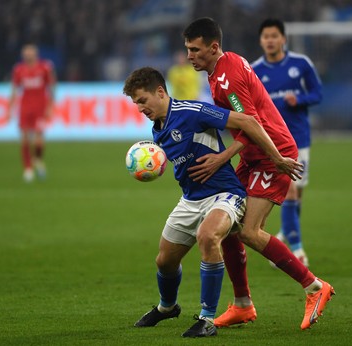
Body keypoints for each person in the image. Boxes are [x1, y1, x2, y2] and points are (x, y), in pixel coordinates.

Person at [123, 67, 302, 337]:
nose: (139, 107)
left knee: (208, 237)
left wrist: (274, 158)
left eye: (142, 100)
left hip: (224, 194)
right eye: (135, 102)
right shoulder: (157, 130)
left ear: (160, 92)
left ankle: (206, 319)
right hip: (191, 200)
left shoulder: (192, 111)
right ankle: (167, 307)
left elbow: (249, 122)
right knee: (164, 262)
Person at [183, 17, 334, 330]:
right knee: (225, 222)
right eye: (187, 49)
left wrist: (223, 158)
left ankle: (315, 287)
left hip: (271, 155)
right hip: (255, 155)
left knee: (250, 231)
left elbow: (252, 123)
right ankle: (242, 304)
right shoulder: (223, 66)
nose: (189, 56)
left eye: (195, 50)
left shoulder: (227, 78)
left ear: (213, 47)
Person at [252, 18, 323, 267]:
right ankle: (297, 250)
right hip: (273, 144)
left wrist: (300, 99)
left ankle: (285, 234)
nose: (270, 40)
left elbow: (318, 93)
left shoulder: (301, 64)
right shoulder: (254, 70)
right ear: (261, 41)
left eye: (274, 36)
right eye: (266, 36)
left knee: (297, 195)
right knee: (290, 190)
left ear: (283, 39)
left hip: (299, 137)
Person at [7, 44, 56, 182]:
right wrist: (9, 109)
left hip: (40, 107)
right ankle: (28, 169)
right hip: (25, 107)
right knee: (25, 138)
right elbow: (15, 90)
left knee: (38, 140)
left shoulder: (45, 67)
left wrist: (50, 106)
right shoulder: (19, 70)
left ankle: (38, 160)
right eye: (26, 54)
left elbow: (51, 87)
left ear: (36, 54)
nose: (28, 56)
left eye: (30, 53)